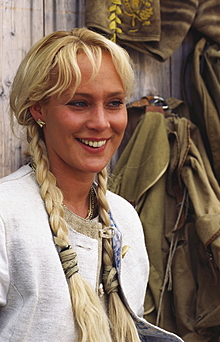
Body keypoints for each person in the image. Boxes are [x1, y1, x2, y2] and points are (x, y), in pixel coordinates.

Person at [0, 28, 183, 342]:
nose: (101, 123)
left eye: (114, 103)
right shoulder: (7, 214)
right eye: (79, 104)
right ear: (38, 109)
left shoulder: (124, 219)